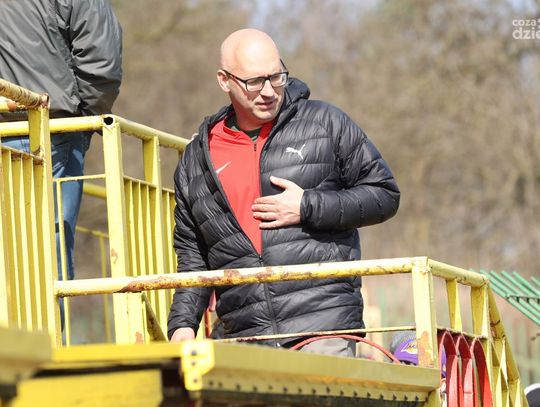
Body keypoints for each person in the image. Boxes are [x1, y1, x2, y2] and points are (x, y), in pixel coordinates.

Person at [168, 28, 399, 357]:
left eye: (276, 77)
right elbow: (194, 255)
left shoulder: (325, 123)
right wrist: (182, 325)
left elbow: (385, 195)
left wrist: (307, 206)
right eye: (254, 81)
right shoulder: (196, 160)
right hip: (244, 340)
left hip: (323, 329)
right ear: (224, 80)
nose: (268, 91)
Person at [0, 0, 122, 325]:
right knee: (46, 253)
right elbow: (102, 64)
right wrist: (81, 120)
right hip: (48, 131)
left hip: (40, 128)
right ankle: (49, 343)